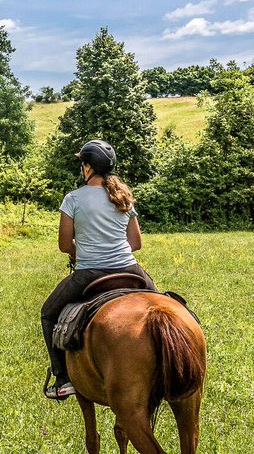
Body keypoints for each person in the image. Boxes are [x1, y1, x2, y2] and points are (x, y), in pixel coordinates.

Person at [41, 139, 155, 400]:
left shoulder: (73, 199)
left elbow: (63, 245)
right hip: (130, 269)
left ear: (88, 167)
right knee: (162, 306)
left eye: (82, 164)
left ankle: (63, 379)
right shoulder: (123, 196)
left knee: (48, 313)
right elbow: (135, 243)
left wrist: (82, 249)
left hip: (89, 273)